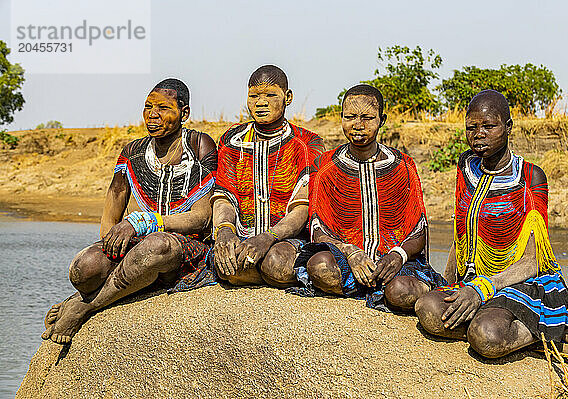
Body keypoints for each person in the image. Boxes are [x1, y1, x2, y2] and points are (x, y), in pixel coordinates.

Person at [415, 90, 568, 363]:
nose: (479, 134)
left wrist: (482, 290)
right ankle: (516, 329)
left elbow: (534, 261)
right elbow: (462, 233)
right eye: (472, 127)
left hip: (521, 281)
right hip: (475, 277)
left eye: (489, 126)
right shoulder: (466, 166)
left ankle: (556, 328)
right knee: (428, 309)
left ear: (508, 127)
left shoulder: (529, 177)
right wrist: (450, 282)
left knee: (486, 336)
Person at [42, 78, 217, 344]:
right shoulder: (133, 151)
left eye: (163, 108)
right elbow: (114, 202)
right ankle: (83, 293)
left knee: (156, 245)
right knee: (84, 267)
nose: (153, 115)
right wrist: (108, 247)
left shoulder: (198, 145)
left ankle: (83, 307)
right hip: (141, 245)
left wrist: (144, 223)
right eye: (148, 107)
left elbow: (201, 218)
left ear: (184, 113)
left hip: (185, 248)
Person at [289, 84, 445, 311]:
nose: (358, 125)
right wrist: (350, 252)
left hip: (394, 265)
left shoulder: (402, 166)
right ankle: (369, 286)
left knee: (401, 291)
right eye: (350, 117)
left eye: (367, 118)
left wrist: (397, 256)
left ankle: (397, 287)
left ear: (382, 119)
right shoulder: (326, 166)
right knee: (320, 266)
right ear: (341, 118)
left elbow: (417, 230)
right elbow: (318, 228)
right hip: (348, 261)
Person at [211, 65, 325, 287]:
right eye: (254, 96)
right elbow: (224, 195)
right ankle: (256, 271)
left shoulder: (307, 143)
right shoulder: (232, 140)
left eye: (270, 95)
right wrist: (225, 230)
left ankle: (265, 270)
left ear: (288, 97)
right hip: (243, 232)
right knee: (229, 265)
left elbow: (302, 208)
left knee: (276, 264)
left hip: (286, 237)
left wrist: (267, 238)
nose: (260, 103)